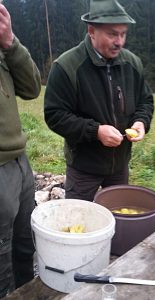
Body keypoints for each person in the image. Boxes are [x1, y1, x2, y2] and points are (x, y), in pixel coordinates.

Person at [44, 0, 154, 201]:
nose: (119, 41)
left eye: (123, 34)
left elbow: (145, 101)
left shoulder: (132, 63)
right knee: (78, 221)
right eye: (112, 34)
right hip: (84, 168)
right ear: (91, 31)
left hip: (119, 166)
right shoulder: (67, 66)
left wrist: (141, 122)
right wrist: (96, 131)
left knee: (119, 216)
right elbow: (55, 116)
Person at [0, 3, 41, 298]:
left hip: (20, 162)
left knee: (24, 244)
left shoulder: (2, 49)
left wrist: (10, 43)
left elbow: (31, 88)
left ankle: (27, 292)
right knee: (2, 257)